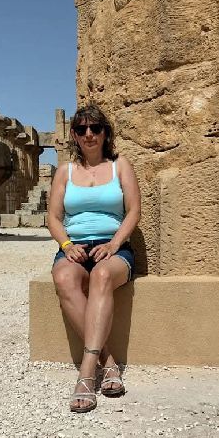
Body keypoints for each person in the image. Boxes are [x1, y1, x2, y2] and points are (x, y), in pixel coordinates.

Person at [47, 104, 141, 413]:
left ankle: (86, 374)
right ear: (74, 135)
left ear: (105, 133)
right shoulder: (65, 171)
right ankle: (108, 361)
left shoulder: (120, 166)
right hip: (74, 246)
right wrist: (66, 244)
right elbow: (53, 217)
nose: (89, 134)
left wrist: (114, 244)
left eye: (95, 128)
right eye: (82, 129)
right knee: (63, 278)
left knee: (101, 275)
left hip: (113, 247)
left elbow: (133, 211)